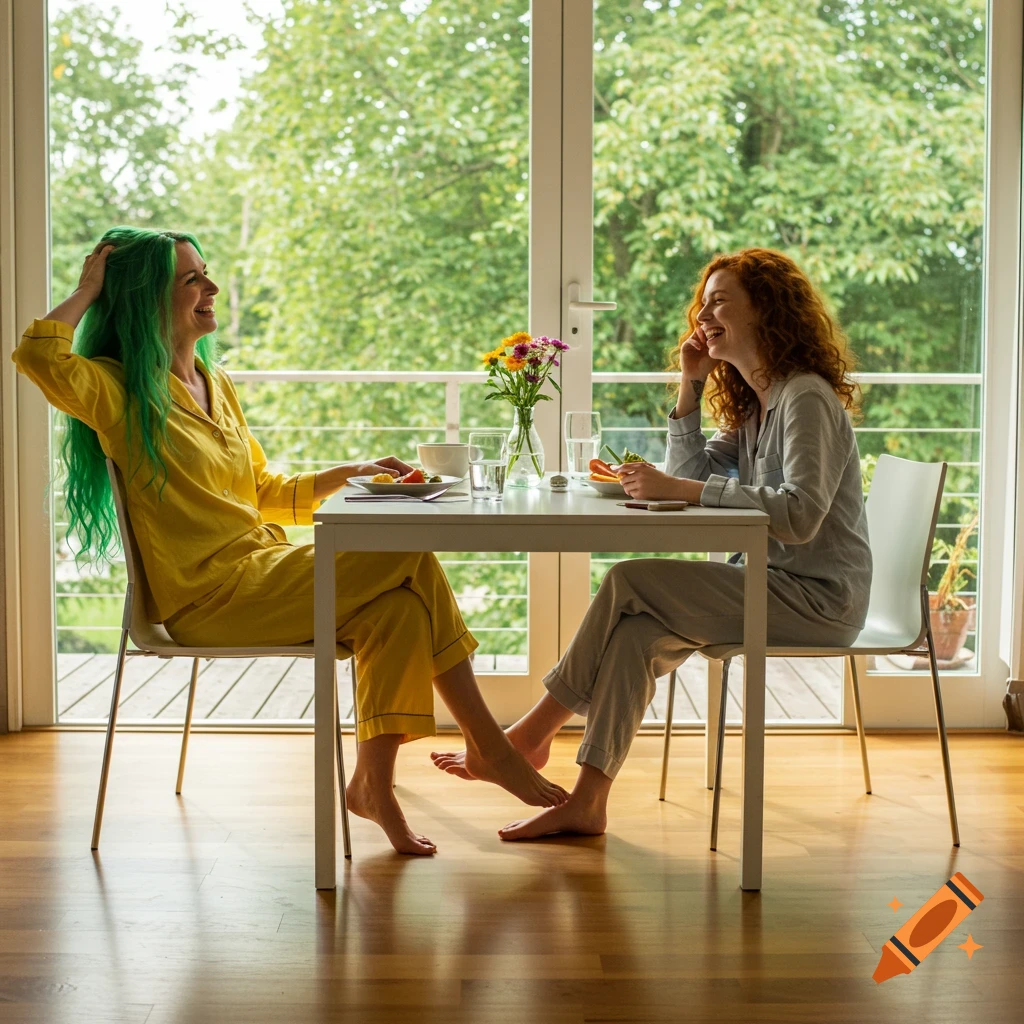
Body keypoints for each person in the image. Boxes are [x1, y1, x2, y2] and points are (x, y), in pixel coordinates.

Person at [14, 227, 567, 855]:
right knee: (409, 553)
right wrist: (90, 288)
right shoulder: (117, 390)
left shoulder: (213, 384)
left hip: (260, 570)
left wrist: (351, 473)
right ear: (145, 299)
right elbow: (38, 358)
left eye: (206, 273)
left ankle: (372, 787)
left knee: (400, 608)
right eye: (191, 278)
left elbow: (265, 491)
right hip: (208, 599)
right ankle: (488, 744)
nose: (212, 287)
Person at [431, 247, 872, 840]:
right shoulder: (760, 403)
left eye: (721, 302)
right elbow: (686, 468)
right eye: (704, 302)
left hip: (817, 600)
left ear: (765, 310)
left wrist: (683, 488)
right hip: (771, 586)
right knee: (635, 634)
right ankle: (587, 803)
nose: (704, 315)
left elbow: (799, 516)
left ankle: (526, 737)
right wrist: (690, 387)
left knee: (628, 579)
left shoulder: (805, 397)